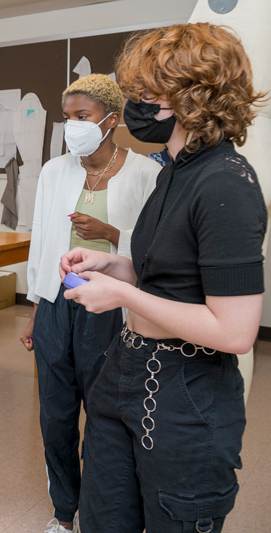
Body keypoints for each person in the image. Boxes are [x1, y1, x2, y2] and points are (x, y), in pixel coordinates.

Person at [62, 23, 266, 532]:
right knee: (104, 518)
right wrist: (114, 266)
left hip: (185, 397)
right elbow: (169, 275)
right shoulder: (174, 171)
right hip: (125, 374)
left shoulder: (227, 183)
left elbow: (234, 331)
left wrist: (125, 293)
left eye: (146, 91)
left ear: (189, 96)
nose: (136, 101)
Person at [19, 73, 160, 533]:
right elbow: (42, 243)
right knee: (55, 416)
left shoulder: (145, 173)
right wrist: (36, 310)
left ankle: (101, 514)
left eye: (83, 116)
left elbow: (157, 252)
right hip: (59, 306)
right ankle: (64, 512)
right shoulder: (55, 171)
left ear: (112, 119)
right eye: (68, 117)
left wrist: (111, 235)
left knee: (105, 417)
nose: (72, 125)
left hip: (111, 309)